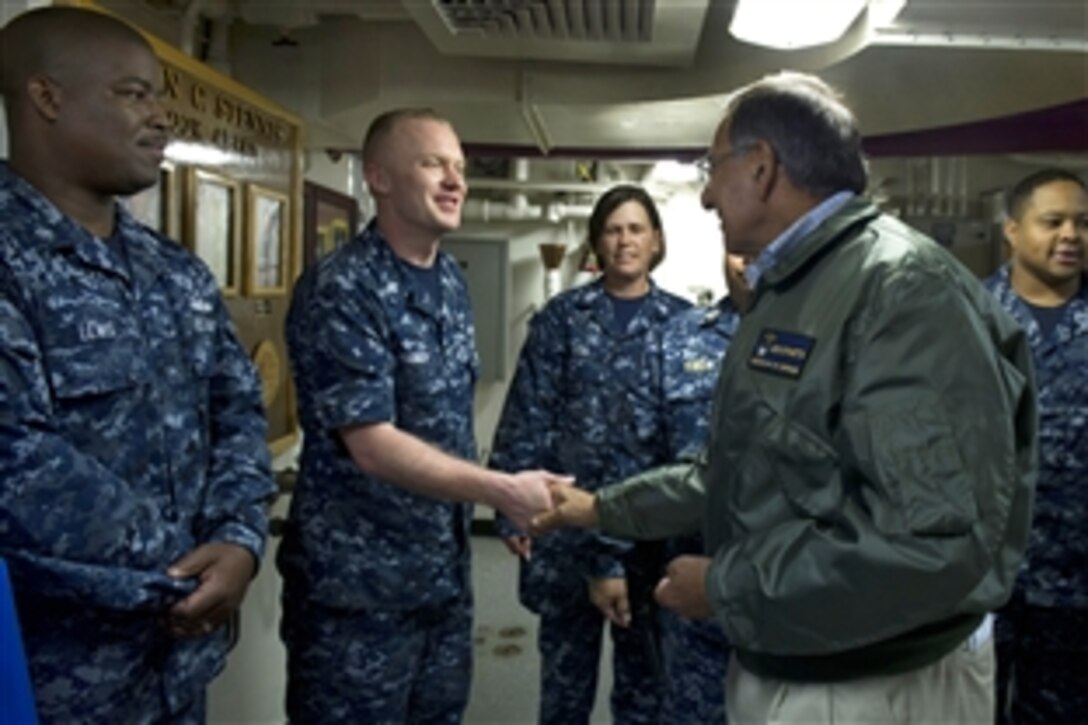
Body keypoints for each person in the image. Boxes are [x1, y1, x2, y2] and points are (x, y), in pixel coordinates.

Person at [531, 71, 1037, 724]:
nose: (709, 193)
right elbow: (745, 470)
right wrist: (598, 507)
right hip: (801, 655)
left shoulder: (901, 292)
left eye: (714, 168)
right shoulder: (794, 288)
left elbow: (930, 540)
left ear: (763, 168)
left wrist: (724, 585)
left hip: (875, 681)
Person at [0, 7, 274, 722]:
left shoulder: (174, 271)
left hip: (177, 666)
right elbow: (13, 459)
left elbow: (238, 408)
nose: (161, 119)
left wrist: (240, 540)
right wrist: (187, 563)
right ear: (47, 97)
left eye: (160, 96)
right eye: (133, 94)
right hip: (54, 675)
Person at [278, 108, 559, 724]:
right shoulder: (344, 287)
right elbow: (371, 443)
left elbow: (443, 426)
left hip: (440, 579)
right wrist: (501, 490)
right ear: (378, 177)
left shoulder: (448, 284)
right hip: (358, 593)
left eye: (459, 167)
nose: (455, 180)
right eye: (433, 163)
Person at [489, 184, 692, 725]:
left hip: (649, 537)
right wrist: (508, 500)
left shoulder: (685, 326)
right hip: (566, 533)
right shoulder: (563, 318)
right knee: (563, 691)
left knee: (646, 691)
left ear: (656, 241)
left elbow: (693, 442)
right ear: (597, 243)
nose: (624, 240)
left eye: (635, 229)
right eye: (612, 230)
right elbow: (528, 409)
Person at [984, 169, 1088, 724]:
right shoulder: (969, 319)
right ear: (1013, 231)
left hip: (1076, 583)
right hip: (984, 577)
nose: (1071, 235)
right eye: (1053, 222)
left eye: (1083, 223)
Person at [654, 253, 749, 724]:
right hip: (692, 586)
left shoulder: (827, 335)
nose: (747, 263)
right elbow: (644, 455)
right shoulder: (681, 335)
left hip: (785, 595)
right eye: (738, 249)